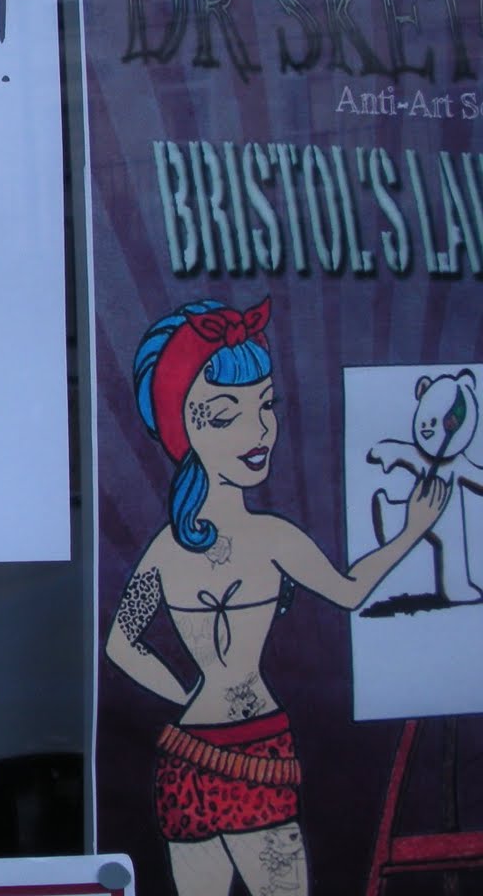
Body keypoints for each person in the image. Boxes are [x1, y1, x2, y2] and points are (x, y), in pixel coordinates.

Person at [104, 297, 449, 896]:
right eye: (227, 415)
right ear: (186, 428)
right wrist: (410, 533)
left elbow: (122, 644)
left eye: (266, 406)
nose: (259, 430)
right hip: (243, 754)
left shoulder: (173, 548)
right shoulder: (267, 539)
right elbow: (350, 590)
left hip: (195, 754)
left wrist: (190, 695)